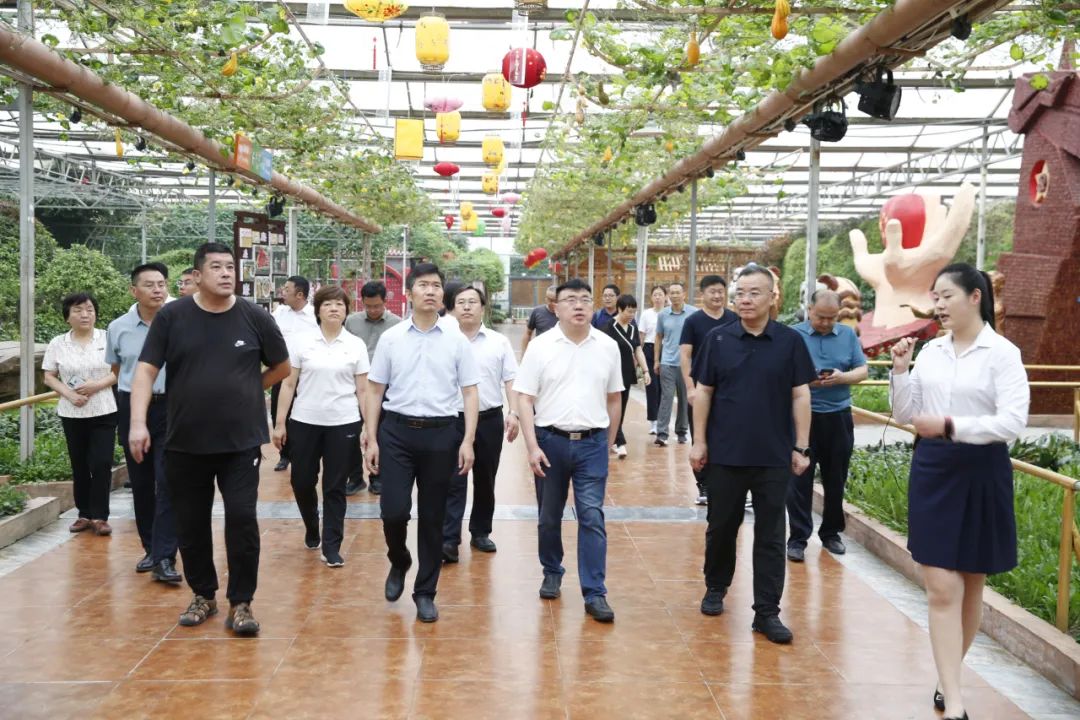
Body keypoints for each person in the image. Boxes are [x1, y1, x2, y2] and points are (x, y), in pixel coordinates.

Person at [129, 242, 290, 636]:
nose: (226, 273)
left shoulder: (254, 316)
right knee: (191, 522)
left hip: (240, 443)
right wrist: (138, 423)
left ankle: (242, 602)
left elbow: (282, 367)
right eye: (216, 267)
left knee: (242, 518)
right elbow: (146, 370)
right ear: (197, 276)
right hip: (185, 441)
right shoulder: (173, 317)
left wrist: (248, 389)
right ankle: (203, 594)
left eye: (230, 266)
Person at [889, 263, 1028, 720]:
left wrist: (951, 425)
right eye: (935, 297)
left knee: (971, 584)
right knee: (942, 587)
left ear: (975, 296)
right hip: (934, 469)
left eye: (946, 295)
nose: (939, 305)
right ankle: (955, 702)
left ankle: (946, 679)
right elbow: (907, 414)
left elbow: (1012, 421)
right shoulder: (931, 352)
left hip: (982, 469)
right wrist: (901, 370)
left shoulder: (1002, 353)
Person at [689, 265, 815, 644]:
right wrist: (699, 442)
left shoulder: (789, 341)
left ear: (772, 297)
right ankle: (716, 587)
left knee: (772, 535)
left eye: (753, 292)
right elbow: (704, 392)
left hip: (773, 455)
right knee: (721, 527)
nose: (744, 299)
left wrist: (802, 445)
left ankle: (767, 611)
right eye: (740, 292)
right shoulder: (718, 339)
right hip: (725, 453)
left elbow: (800, 394)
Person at [364, 262, 480, 624]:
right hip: (396, 433)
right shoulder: (392, 338)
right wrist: (371, 436)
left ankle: (425, 592)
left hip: (442, 434)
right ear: (409, 293)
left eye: (436, 286)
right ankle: (399, 559)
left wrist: (468, 440)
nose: (431, 291)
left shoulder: (457, 340)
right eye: (424, 285)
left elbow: (470, 392)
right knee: (393, 511)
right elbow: (375, 390)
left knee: (432, 517)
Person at [514, 278, 623, 624]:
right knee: (549, 515)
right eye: (571, 300)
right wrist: (532, 446)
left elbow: (615, 398)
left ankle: (595, 592)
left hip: (592, 443)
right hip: (550, 442)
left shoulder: (607, 346)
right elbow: (524, 398)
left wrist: (607, 442)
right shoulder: (540, 346)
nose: (579, 305)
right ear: (556, 308)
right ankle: (552, 570)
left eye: (585, 299)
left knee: (591, 515)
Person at [273, 285, 368, 568]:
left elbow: (363, 390)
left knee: (335, 486)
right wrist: (280, 423)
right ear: (318, 310)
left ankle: (332, 545)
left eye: (339, 304)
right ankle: (312, 526)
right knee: (302, 481)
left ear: (347, 310)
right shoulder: (303, 342)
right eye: (328, 304)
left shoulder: (356, 345)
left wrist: (368, 427)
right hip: (304, 421)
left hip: (344, 422)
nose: (334, 308)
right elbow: (288, 384)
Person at [107, 262, 181, 584]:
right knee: (141, 480)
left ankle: (165, 555)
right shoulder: (118, 327)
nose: (157, 290)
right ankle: (151, 548)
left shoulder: (179, 321)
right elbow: (117, 369)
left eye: (162, 284)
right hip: (132, 406)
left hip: (172, 406)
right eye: (149, 285)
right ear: (133, 290)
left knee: (168, 479)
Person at [787, 290, 868, 562]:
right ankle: (798, 538)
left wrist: (842, 377)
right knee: (799, 479)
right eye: (820, 317)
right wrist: (806, 380)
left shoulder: (847, 335)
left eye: (831, 318)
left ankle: (831, 533)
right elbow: (782, 373)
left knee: (836, 478)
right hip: (803, 417)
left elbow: (862, 370)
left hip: (838, 417)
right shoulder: (794, 335)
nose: (825, 323)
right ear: (809, 310)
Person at [442, 286, 519, 562]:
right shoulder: (443, 341)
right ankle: (449, 538)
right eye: (460, 302)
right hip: (452, 420)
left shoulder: (498, 342)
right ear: (452, 308)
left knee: (485, 478)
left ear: (483, 307)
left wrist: (514, 412)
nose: (466, 307)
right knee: (453, 479)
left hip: (489, 419)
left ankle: (481, 531)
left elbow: (511, 379)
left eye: (472, 302)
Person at [41, 293, 118, 537]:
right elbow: (49, 376)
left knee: (102, 462)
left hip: (104, 409)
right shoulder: (58, 343)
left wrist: (97, 385)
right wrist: (69, 394)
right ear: (67, 317)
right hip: (72, 411)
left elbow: (119, 370)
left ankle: (100, 516)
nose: (85, 314)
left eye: (89, 309)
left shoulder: (107, 337)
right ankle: (84, 513)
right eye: (78, 310)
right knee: (80, 463)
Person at [679, 275, 738, 504]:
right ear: (702, 294)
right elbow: (685, 355)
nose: (717, 296)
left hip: (728, 390)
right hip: (701, 389)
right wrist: (690, 388)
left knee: (729, 435)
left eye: (721, 291)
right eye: (712, 291)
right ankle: (703, 484)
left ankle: (729, 485)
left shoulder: (734, 318)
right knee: (700, 435)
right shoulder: (693, 321)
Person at [344, 280, 402, 496]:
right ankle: (354, 477)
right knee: (350, 432)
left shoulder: (397, 324)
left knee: (378, 432)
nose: (373, 310)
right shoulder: (351, 322)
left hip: (383, 387)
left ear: (385, 301)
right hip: (354, 385)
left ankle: (377, 476)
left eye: (377, 306)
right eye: (368, 306)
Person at [270, 275, 318, 472]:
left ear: (299, 295)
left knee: (303, 414)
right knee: (279, 412)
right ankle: (284, 455)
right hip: (282, 371)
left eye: (287, 289)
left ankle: (303, 454)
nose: (283, 292)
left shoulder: (315, 316)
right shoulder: (279, 313)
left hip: (306, 375)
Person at [605, 294, 651, 459]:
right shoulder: (608, 327)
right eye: (629, 311)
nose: (631, 315)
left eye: (634, 312)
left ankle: (614, 439)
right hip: (611, 374)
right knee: (612, 406)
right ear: (619, 309)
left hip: (626, 372)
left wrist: (645, 371)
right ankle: (619, 441)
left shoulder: (632, 328)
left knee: (621, 407)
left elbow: (638, 349)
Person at [653, 282, 696, 447]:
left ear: (684, 294)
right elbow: (658, 337)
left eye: (678, 292)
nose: (675, 295)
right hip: (667, 362)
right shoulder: (663, 314)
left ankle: (682, 432)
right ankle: (662, 433)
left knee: (685, 398)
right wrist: (657, 360)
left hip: (687, 364)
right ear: (668, 295)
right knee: (667, 397)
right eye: (672, 292)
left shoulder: (693, 313)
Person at [638, 285, 667, 435]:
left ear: (665, 297)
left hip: (666, 350)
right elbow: (641, 336)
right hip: (649, 350)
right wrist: (639, 356)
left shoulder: (669, 313)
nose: (657, 297)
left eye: (660, 294)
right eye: (655, 294)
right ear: (651, 297)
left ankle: (663, 421)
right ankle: (653, 421)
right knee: (652, 386)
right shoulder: (646, 314)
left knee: (664, 387)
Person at [521, 285, 558, 354]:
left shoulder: (565, 314)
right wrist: (524, 354)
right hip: (541, 353)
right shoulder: (537, 312)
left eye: (556, 301)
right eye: (550, 300)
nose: (553, 303)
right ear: (546, 299)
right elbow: (528, 333)